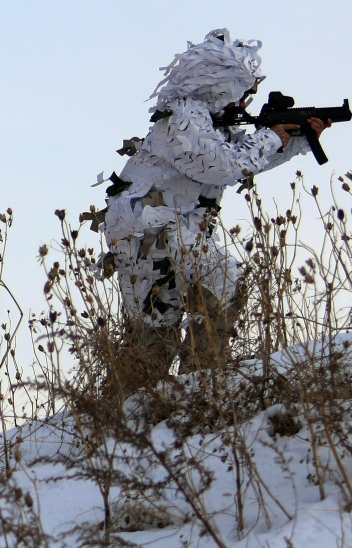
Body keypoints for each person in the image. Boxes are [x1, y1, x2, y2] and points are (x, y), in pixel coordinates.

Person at [98, 29, 330, 370]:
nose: (242, 103)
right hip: (152, 233)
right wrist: (270, 138)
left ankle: (174, 394)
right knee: (200, 302)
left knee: (158, 331)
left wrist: (295, 141)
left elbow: (242, 161)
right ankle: (199, 382)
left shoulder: (203, 122)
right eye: (240, 93)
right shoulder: (184, 118)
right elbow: (222, 166)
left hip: (158, 234)